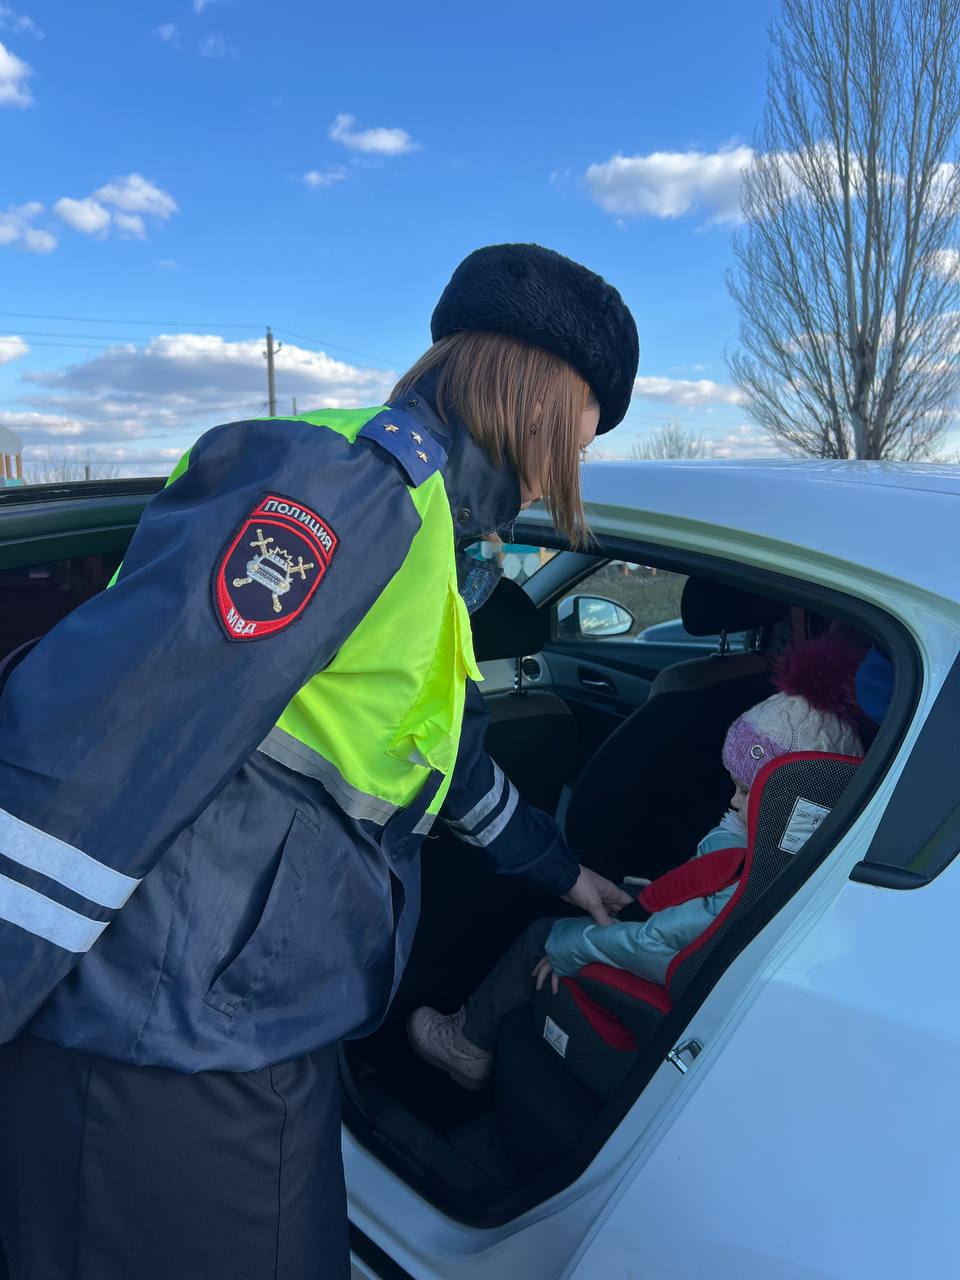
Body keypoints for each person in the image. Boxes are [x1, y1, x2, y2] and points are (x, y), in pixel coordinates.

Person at [0, 244, 638, 1280]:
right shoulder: (348, 488)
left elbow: (438, 758)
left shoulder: (432, 533)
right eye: (582, 435)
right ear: (542, 402)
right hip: (154, 1038)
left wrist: (566, 872)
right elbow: (93, 745)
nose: (569, 466)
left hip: (255, 1019)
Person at [408, 635, 865, 1091]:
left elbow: (654, 944)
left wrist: (566, 948)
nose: (732, 799)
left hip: (660, 975)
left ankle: (467, 1044)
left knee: (544, 933)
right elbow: (698, 885)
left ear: (790, 800)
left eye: (747, 792)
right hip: (678, 951)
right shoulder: (787, 857)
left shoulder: (738, 881)